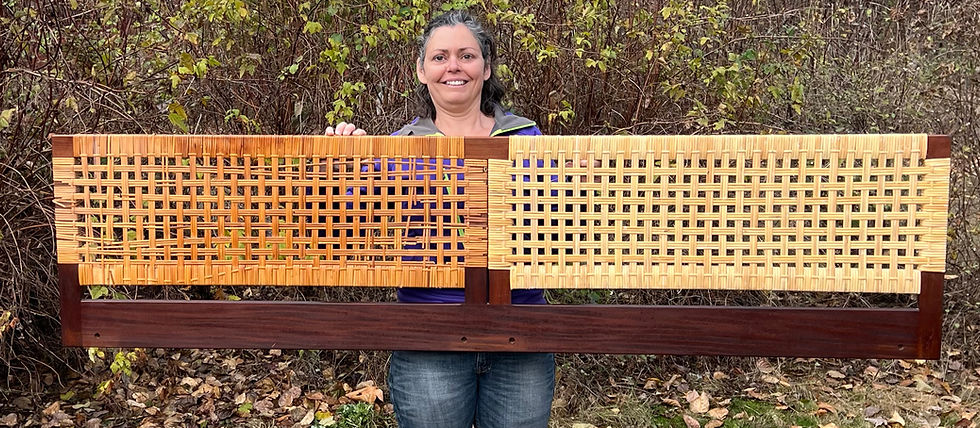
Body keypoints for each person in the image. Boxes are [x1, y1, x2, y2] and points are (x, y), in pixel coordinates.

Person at [324, 10, 555, 428]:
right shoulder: (398, 148)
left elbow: (554, 221)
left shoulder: (527, 138)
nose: (454, 66)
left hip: (520, 333)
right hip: (428, 335)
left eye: (466, 56)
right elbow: (347, 222)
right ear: (421, 70)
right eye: (440, 57)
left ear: (486, 68)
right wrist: (347, 162)